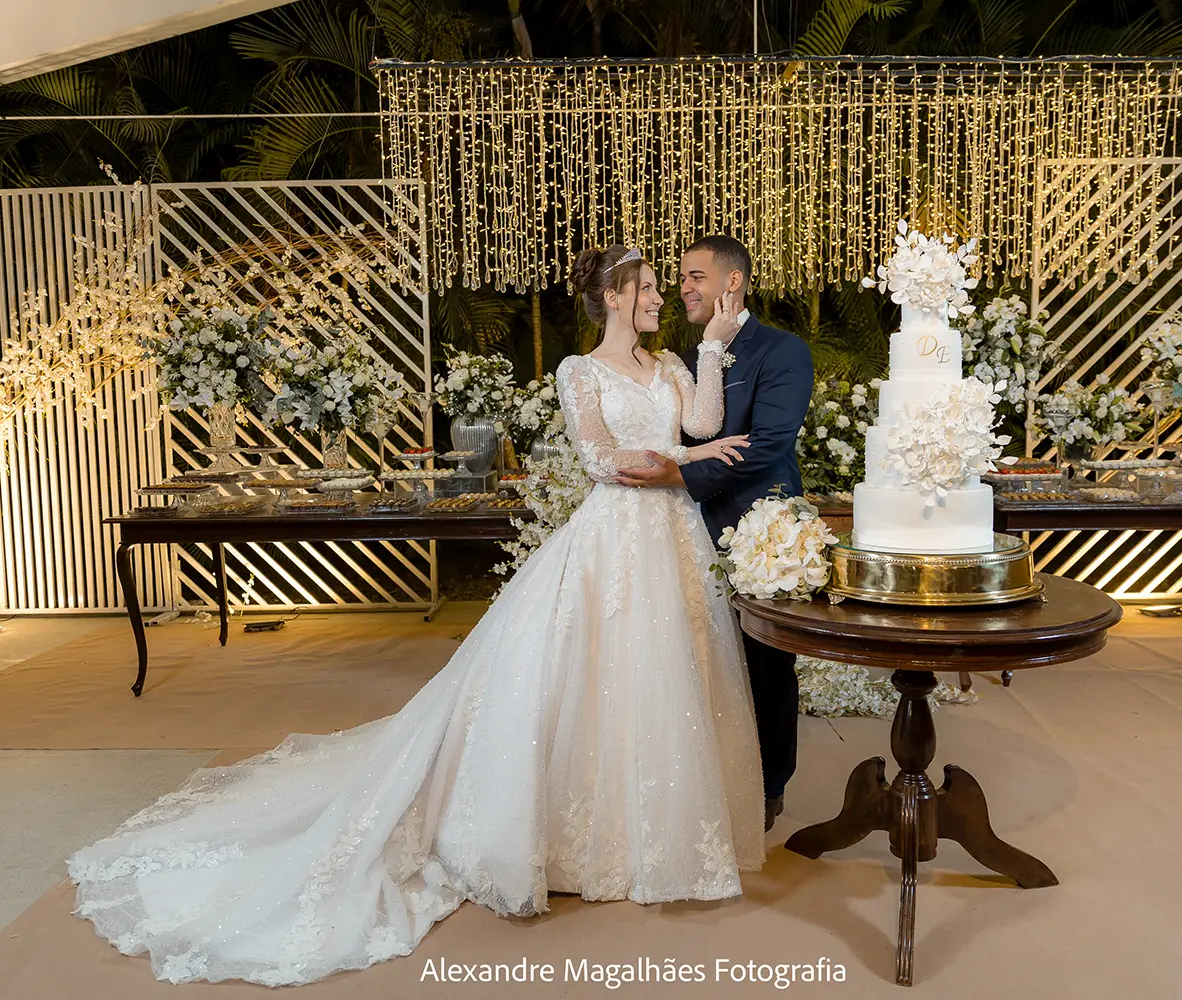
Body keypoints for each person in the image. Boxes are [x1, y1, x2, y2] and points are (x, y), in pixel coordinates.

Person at [64, 245, 765, 987]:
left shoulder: (672, 365)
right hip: (613, 538)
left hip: (671, 539)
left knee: (662, 677)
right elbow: (602, 462)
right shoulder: (579, 372)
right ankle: (581, 837)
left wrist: (713, 347)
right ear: (614, 298)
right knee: (597, 673)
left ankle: (648, 833)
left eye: (659, 287)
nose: (659, 298)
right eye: (647, 288)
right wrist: (693, 461)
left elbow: (704, 422)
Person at [615, 236, 814, 832]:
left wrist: (679, 474)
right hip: (680, 527)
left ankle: (769, 786)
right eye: (679, 278)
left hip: (759, 529)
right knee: (694, 661)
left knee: (764, 662)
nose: (683, 288)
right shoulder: (683, 357)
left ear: (733, 282)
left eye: (695, 277)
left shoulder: (782, 350)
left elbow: (768, 444)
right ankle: (705, 782)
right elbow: (681, 434)